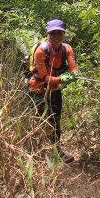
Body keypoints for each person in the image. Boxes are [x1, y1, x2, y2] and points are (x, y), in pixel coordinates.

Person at [27, 18, 77, 157]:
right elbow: (45, 78)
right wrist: (62, 79)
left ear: (64, 34)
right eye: (53, 33)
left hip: (54, 89)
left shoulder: (66, 49)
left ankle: (57, 152)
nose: (56, 37)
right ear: (48, 34)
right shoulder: (41, 51)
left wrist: (74, 75)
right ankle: (34, 153)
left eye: (59, 33)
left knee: (55, 120)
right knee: (38, 120)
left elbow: (73, 67)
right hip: (37, 89)